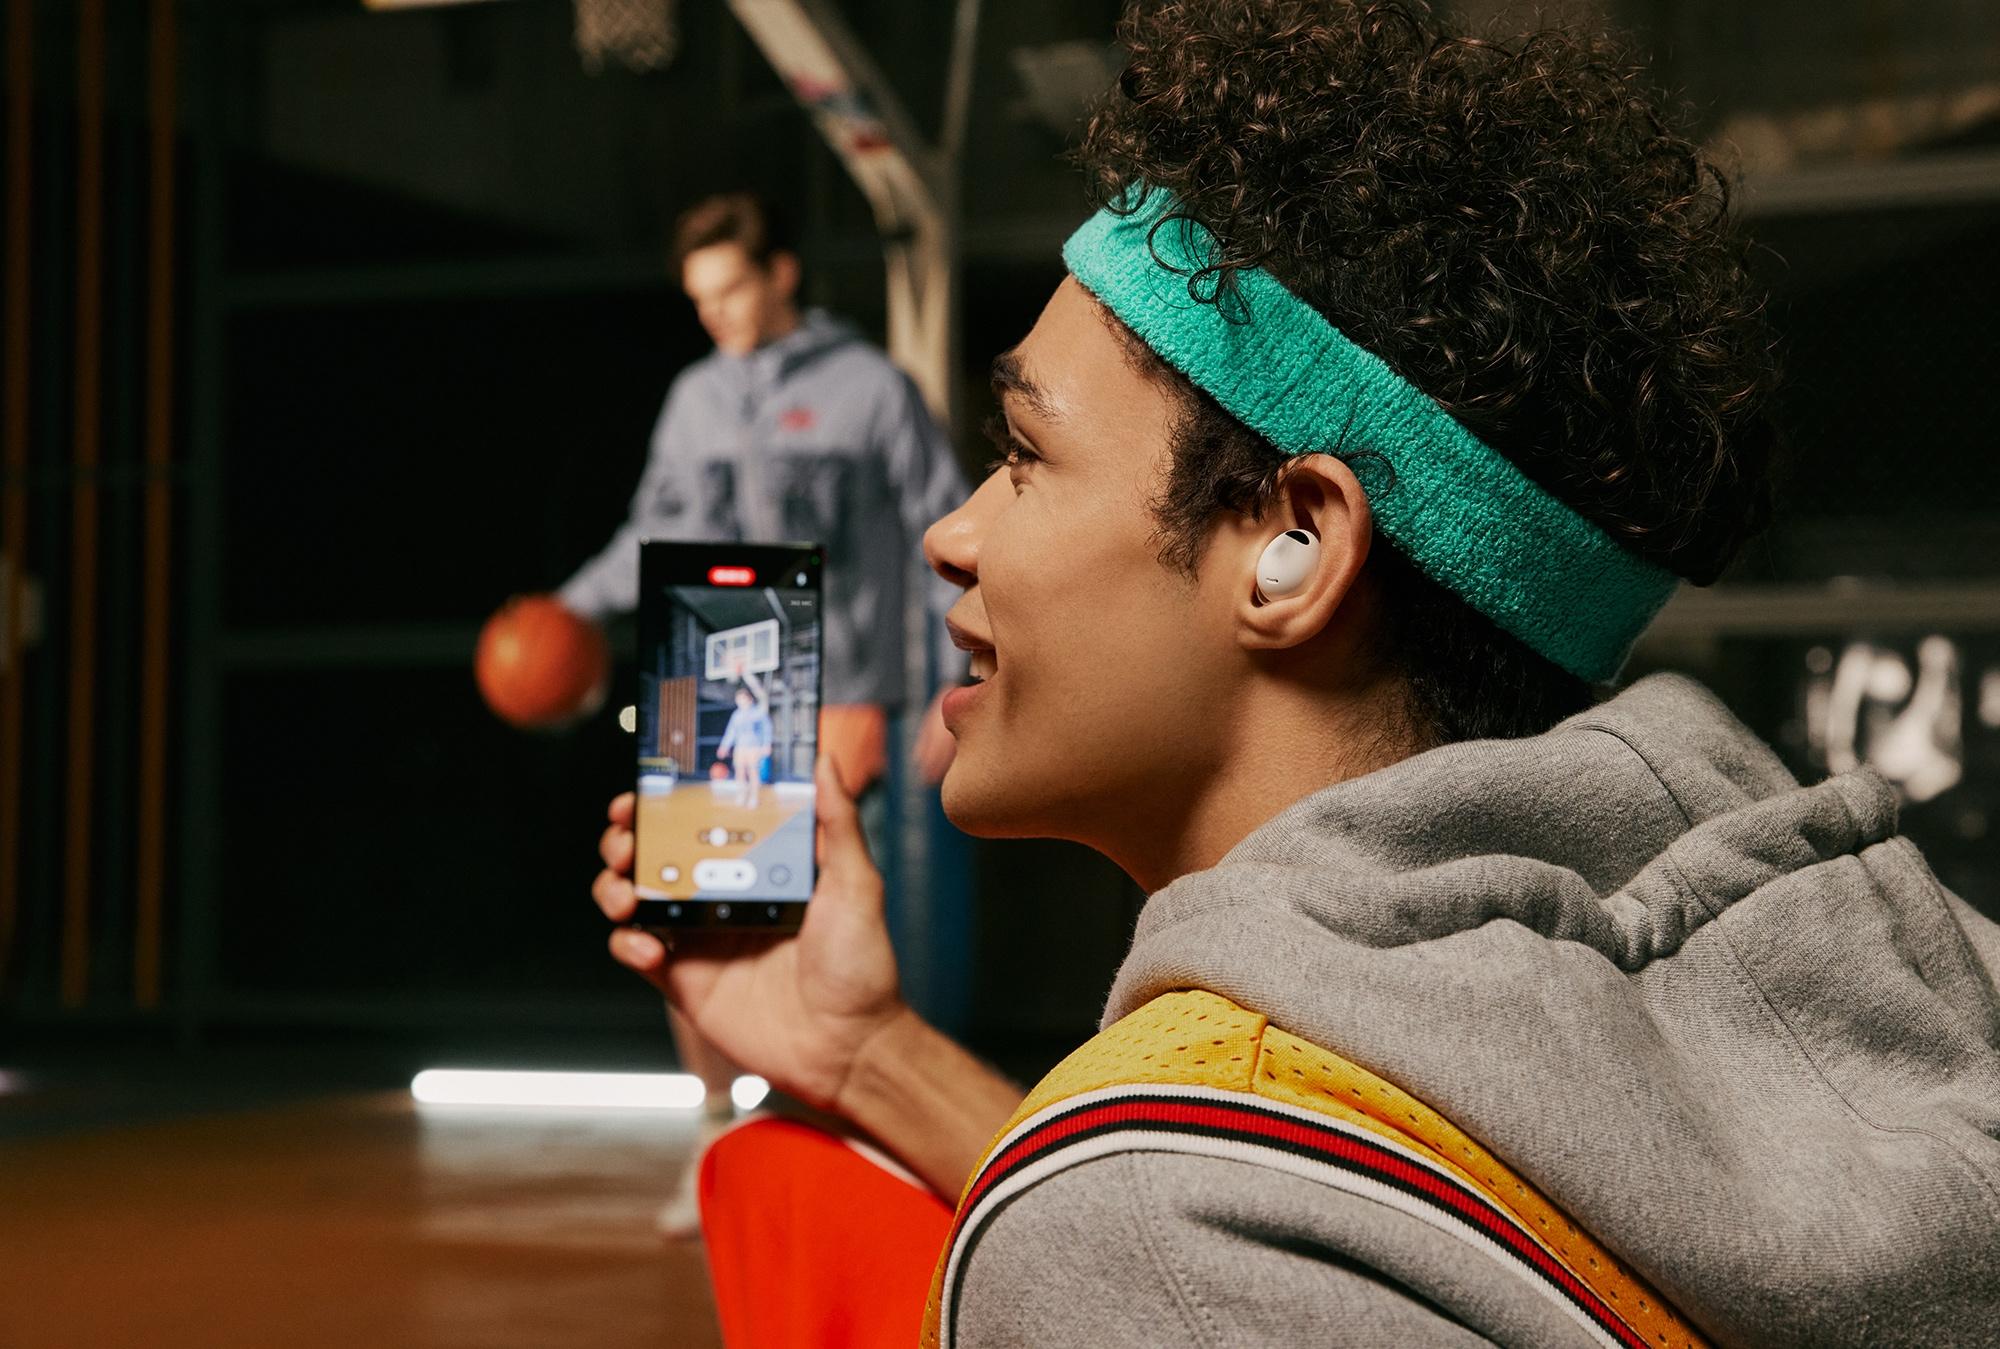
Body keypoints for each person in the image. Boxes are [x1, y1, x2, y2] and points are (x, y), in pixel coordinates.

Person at [591, 3, 2000, 1345]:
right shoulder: (1868, 990)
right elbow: (1341, 1211)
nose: (951, 535)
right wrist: (868, 1052)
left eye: (1023, 456)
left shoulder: (1136, 1224)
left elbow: (1178, 1240)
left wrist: (1086, 1192)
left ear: (1292, 547)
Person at [560, 190, 967, 1236]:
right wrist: (565, 607)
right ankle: (714, 1138)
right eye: (700, 297)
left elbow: (944, 533)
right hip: (708, 676)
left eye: (731, 288)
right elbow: (648, 532)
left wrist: (950, 683)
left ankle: (835, 1161)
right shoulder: (694, 397)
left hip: (838, 692)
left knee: (829, 936)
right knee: (685, 917)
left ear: (781, 273)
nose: (716, 313)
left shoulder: (870, 388)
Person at [715, 672, 772, 810]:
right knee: (739, 772)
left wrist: (766, 744)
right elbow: (731, 732)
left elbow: (767, 728)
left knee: (753, 772)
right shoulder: (736, 715)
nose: (740, 701)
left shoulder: (758, 712)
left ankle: (754, 797)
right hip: (740, 748)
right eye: (738, 699)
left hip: (754, 747)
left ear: (749, 699)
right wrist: (724, 746)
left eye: (743, 699)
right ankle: (741, 795)